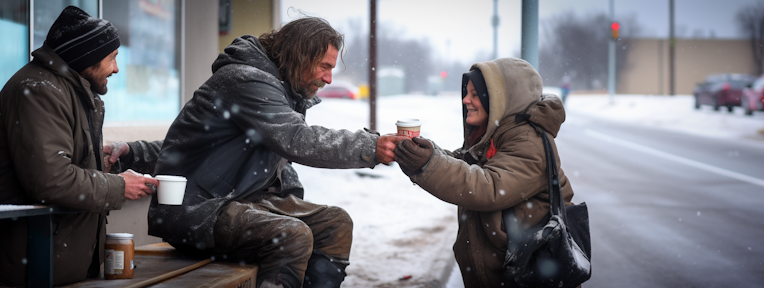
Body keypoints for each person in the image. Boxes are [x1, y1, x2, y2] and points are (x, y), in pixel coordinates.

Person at [105, 17, 405, 288]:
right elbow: (297, 139)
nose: (328, 78)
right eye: (324, 67)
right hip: (199, 210)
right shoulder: (246, 80)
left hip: (243, 202)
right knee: (291, 235)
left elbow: (194, 143)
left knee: (335, 223)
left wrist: (134, 152)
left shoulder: (280, 87)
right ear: (299, 56)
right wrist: (371, 147)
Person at [0, 6, 158, 286]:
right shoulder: (40, 91)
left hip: (56, 264)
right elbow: (51, 181)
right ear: (87, 57)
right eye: (112, 58)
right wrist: (120, 186)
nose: (116, 68)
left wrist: (100, 163)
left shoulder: (68, 91)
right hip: (35, 267)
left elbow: (59, 163)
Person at [394, 58, 576, 287]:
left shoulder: (529, 141)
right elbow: (465, 164)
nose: (465, 100)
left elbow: (488, 187)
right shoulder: (494, 135)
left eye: (475, 94)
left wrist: (427, 164)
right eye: (466, 93)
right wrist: (422, 153)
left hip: (527, 278)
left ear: (502, 99)